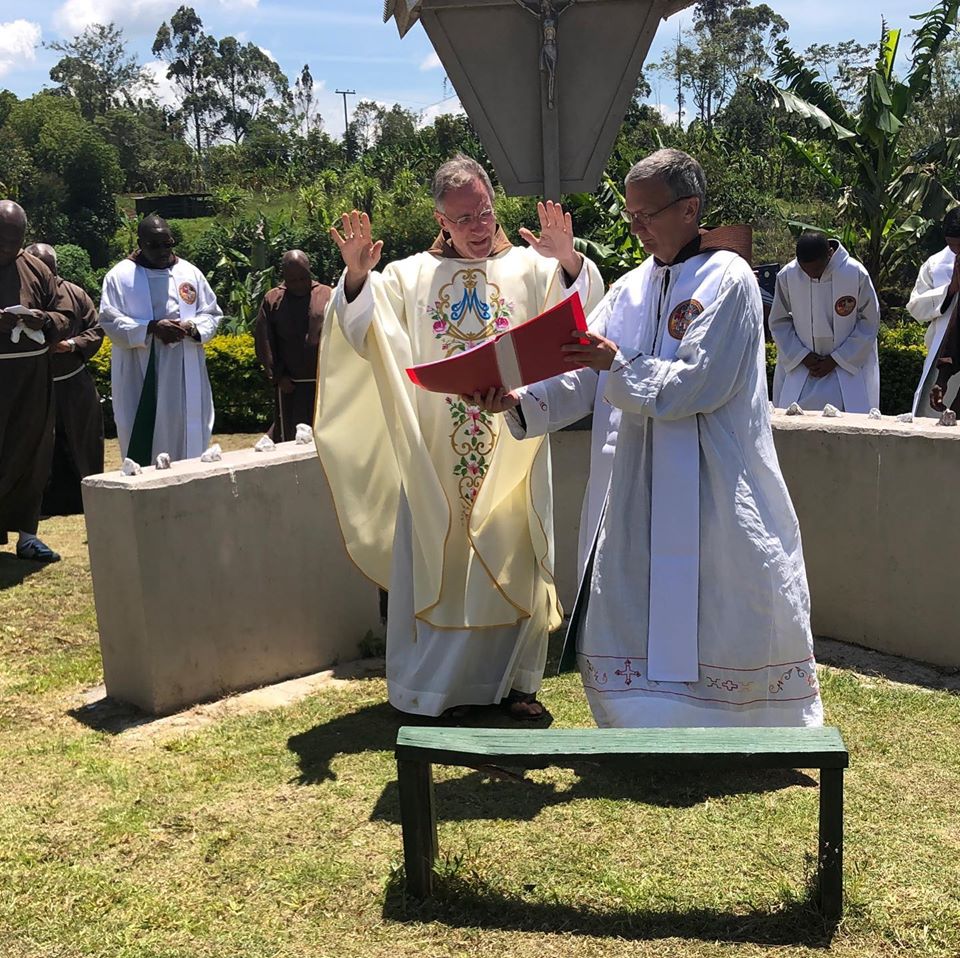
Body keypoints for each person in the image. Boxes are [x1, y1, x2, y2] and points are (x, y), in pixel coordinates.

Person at [477, 148, 823, 728]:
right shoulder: (630, 288)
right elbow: (583, 371)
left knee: (724, 596)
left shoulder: (728, 279)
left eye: (647, 215)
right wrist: (519, 402)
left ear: (689, 209)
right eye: (631, 216)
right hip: (635, 482)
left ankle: (740, 721)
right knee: (634, 595)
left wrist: (618, 365)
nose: (635, 228)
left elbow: (697, 384)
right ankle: (639, 720)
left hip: (714, 482)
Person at [315, 153, 602, 719]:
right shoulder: (405, 276)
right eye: (464, 217)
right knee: (438, 556)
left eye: (486, 212)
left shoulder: (532, 268)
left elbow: (582, 313)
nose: (479, 227)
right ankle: (433, 689)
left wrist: (569, 259)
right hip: (435, 452)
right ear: (440, 218)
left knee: (515, 548)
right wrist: (354, 278)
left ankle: (516, 686)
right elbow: (361, 330)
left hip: (512, 444)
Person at [99, 215, 223, 464]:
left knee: (187, 435)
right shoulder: (120, 276)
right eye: (154, 245)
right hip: (140, 371)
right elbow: (110, 321)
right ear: (139, 243)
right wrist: (152, 328)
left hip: (185, 370)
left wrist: (192, 327)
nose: (162, 251)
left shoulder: (190, 273)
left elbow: (211, 313)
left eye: (167, 244)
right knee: (145, 436)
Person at [0, 201, 70, 562]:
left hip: (32, 380)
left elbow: (66, 312)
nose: (6, 248)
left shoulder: (37, 269)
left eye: (14, 240)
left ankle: (28, 536)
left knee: (33, 450)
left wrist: (45, 320)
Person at [24, 244, 105, 515]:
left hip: (72, 382)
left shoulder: (74, 293)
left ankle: (88, 497)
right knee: (37, 446)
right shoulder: (19, 294)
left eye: (47, 268)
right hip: (33, 386)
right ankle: (37, 503)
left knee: (82, 442)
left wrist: (70, 344)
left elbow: (96, 330)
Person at [769, 231, 880, 413]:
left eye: (817, 269)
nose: (811, 275)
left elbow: (869, 321)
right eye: (805, 270)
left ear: (829, 253)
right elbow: (779, 320)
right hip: (803, 366)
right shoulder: (788, 275)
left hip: (846, 367)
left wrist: (837, 359)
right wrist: (801, 355)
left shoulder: (855, 273)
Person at [254, 250, 331, 441]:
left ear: (310, 271)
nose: (298, 284)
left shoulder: (328, 295)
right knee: (291, 439)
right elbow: (264, 341)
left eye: (303, 278)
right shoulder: (273, 300)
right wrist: (278, 375)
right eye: (292, 280)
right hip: (291, 387)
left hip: (325, 386)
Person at [907, 208, 960, 416]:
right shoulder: (935, 264)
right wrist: (949, 291)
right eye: (951, 244)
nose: (956, 250)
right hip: (943, 352)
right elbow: (915, 307)